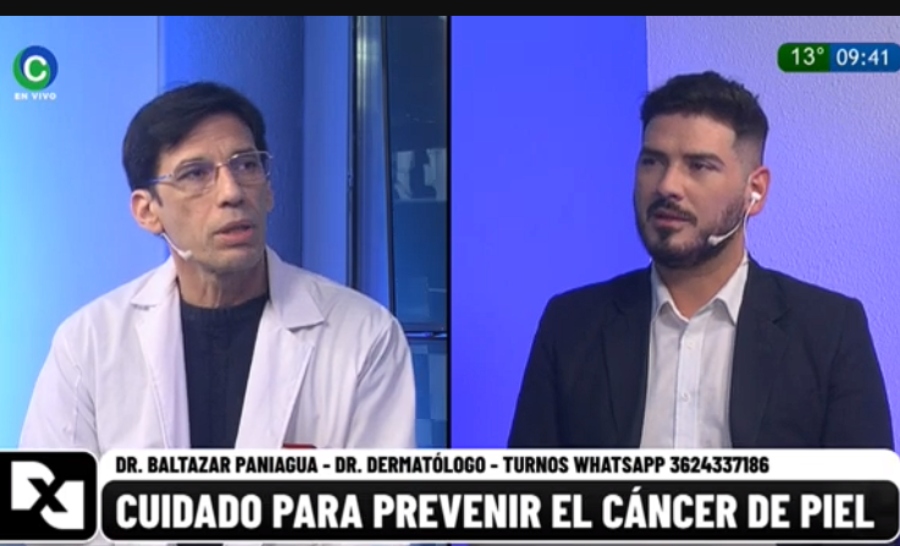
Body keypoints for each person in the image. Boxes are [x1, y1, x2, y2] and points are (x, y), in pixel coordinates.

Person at [20, 82, 416, 453]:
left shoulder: (364, 334)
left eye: (247, 166)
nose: (232, 192)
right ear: (148, 211)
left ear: (269, 189)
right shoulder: (88, 343)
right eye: (195, 174)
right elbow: (51, 500)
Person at [508, 71, 893, 450]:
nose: (667, 186)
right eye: (652, 161)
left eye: (699, 165)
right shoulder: (572, 325)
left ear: (755, 191)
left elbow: (864, 490)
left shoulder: (829, 332)